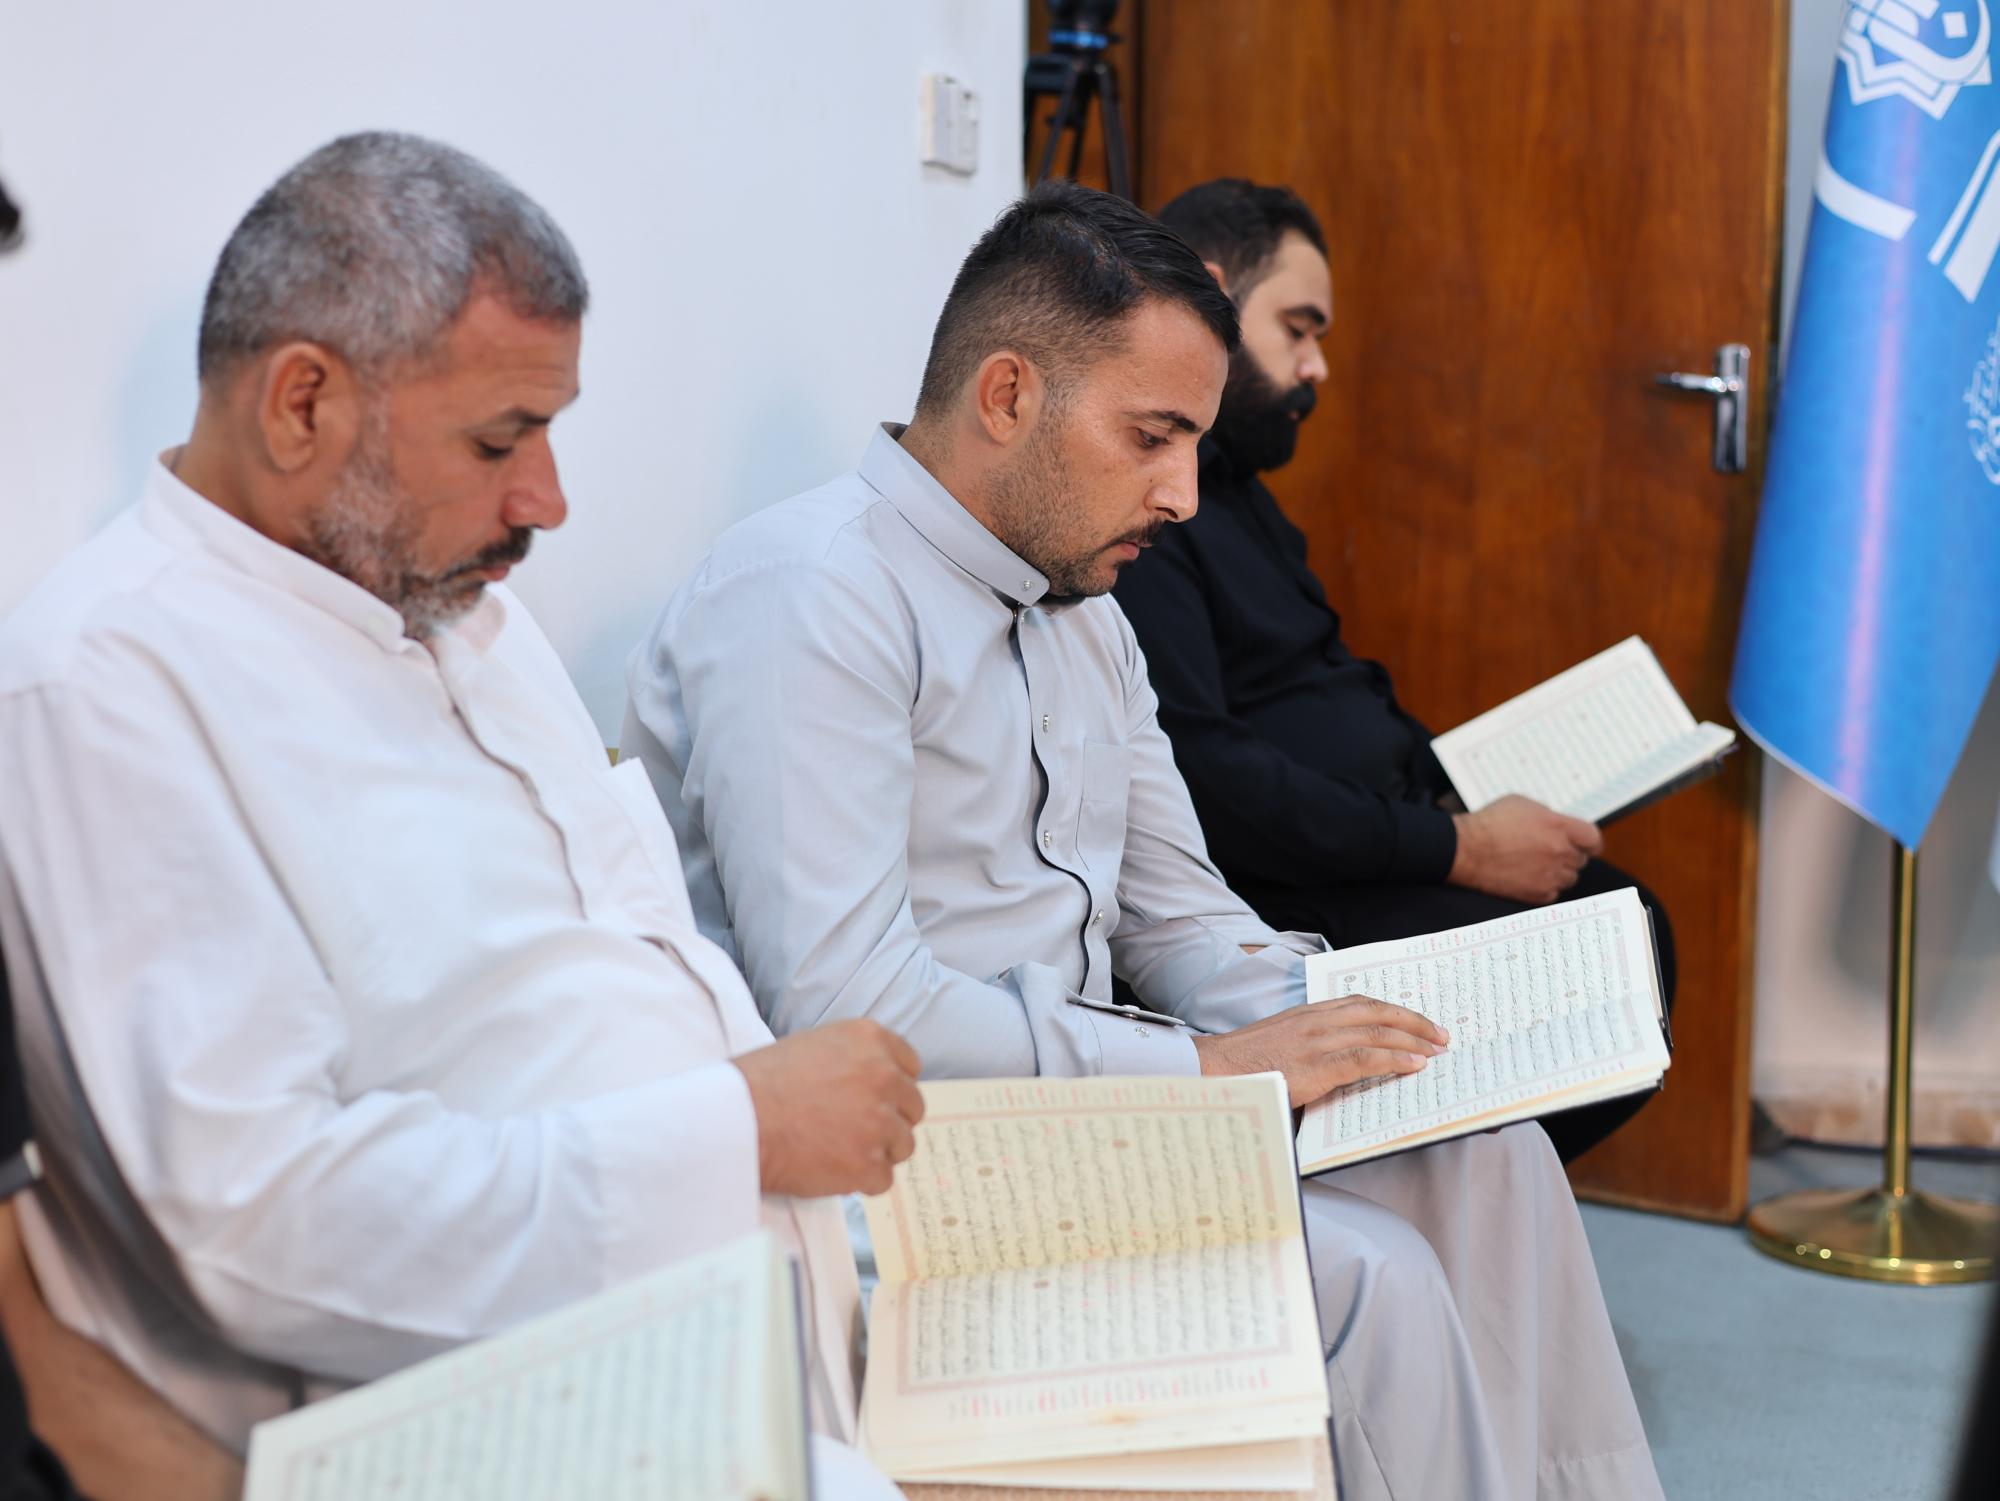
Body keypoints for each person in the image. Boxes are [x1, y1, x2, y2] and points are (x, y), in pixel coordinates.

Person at [625, 180, 1665, 1501]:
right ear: (1008, 395)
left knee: (1486, 1148)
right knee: (1374, 1281)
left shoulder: (1088, 615)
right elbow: (842, 1002)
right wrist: (1205, 1068)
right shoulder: (813, 593)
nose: (1182, 495)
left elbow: (1179, 914)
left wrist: (1365, 1013)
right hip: (905, 1165)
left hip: (1092, 1116)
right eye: (1152, 437)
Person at [0, 132, 913, 1497]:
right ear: (301, 404)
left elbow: (619, 965)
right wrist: (740, 1130)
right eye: (500, 439)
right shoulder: (106, 686)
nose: (548, 499)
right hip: (491, 1427)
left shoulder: (458, 605)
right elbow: (261, 1221)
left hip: (755, 1342)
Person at [1112, 177, 1676, 1163]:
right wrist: (1458, 846)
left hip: (1384, 821)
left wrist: (1467, 784)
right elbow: (1210, 775)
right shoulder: (1154, 510)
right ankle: (1439, 1193)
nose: (1316, 365)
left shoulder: (1240, 493)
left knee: (1620, 918)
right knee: (1606, 945)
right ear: (1208, 292)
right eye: (1298, 328)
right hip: (1294, 881)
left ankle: (1477, 1201)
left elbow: (1325, 687)